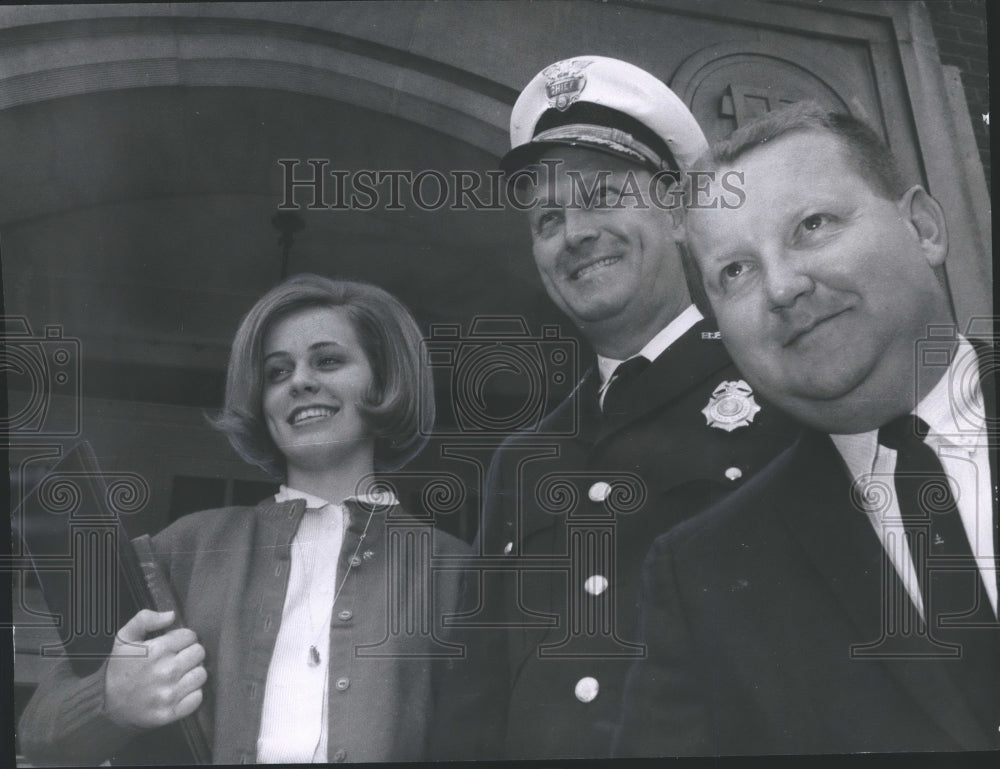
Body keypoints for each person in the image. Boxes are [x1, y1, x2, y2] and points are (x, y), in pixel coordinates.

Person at [616, 102, 1000, 755]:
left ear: (923, 227)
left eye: (812, 225)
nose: (782, 287)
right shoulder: (704, 576)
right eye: (735, 271)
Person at [19, 273, 485, 764]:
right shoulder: (188, 546)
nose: (299, 381)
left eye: (328, 360)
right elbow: (37, 735)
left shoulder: (456, 570)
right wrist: (109, 702)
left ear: (384, 381)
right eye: (277, 372)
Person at [476, 56, 799, 759]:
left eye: (601, 195)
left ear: (679, 214)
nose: (574, 233)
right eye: (548, 219)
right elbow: (475, 695)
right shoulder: (523, 459)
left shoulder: (782, 383)